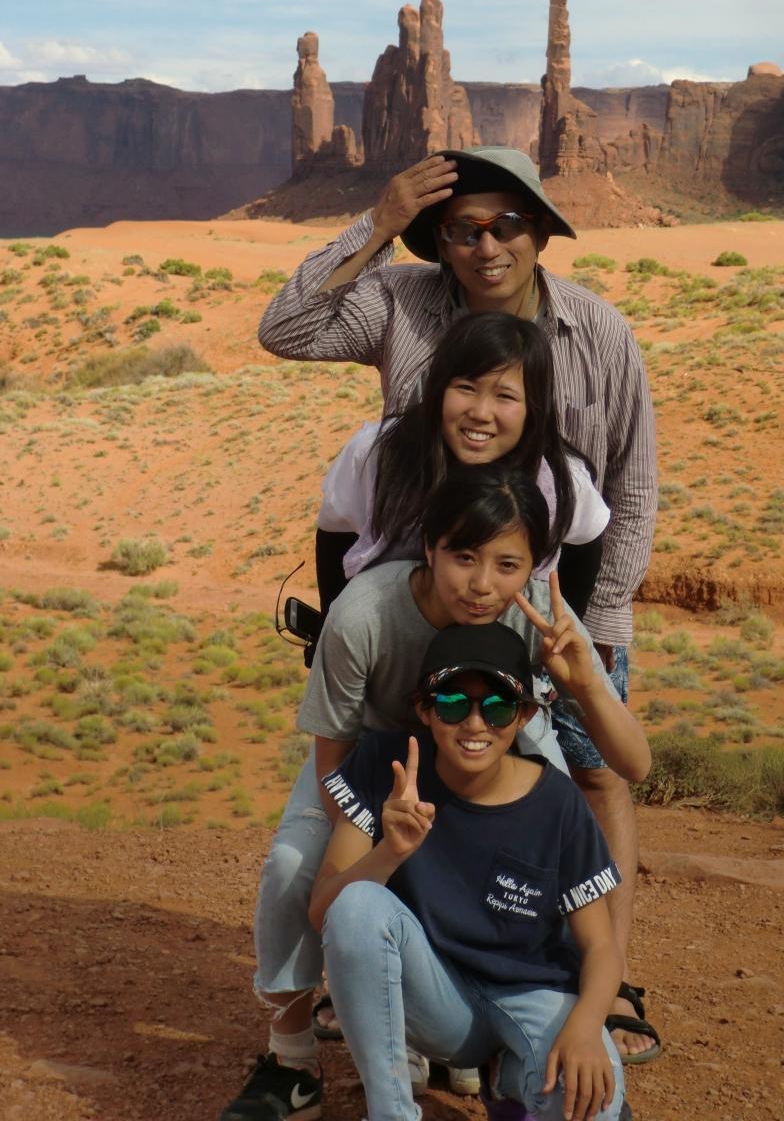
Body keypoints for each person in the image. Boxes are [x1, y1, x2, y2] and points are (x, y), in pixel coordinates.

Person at [259, 145, 658, 1056]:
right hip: (417, 605)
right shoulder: (402, 300)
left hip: (543, 611)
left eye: (506, 225)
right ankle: (406, 979)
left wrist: (582, 633)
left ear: (541, 231)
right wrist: (379, 222)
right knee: (420, 790)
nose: (485, 246)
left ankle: (599, 984)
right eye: (462, 229)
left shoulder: (598, 331)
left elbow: (626, 493)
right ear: (440, 240)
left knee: (588, 785)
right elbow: (285, 329)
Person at [221, 469, 652, 1121]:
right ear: (429, 547)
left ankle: (514, 1066)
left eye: (507, 564)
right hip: (377, 768)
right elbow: (334, 769)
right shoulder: (366, 614)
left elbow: (633, 765)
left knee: (593, 1102)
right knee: (302, 871)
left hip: (496, 812)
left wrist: (588, 684)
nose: (482, 585)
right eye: (464, 557)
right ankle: (296, 1060)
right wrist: (387, 849)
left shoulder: (540, 619)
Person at [310, 620, 636, 1121]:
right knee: (356, 904)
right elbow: (325, 913)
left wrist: (586, 1026)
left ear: (524, 714)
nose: (475, 723)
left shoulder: (557, 804)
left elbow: (601, 947)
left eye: (498, 707)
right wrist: (389, 852)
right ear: (425, 709)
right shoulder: (387, 768)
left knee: (595, 1104)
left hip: (534, 994)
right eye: (453, 703)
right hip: (437, 999)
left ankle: (507, 1074)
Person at [317, 310, 608, 615]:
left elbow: (585, 547)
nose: (480, 413)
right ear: (439, 389)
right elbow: (335, 537)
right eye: (466, 388)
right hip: (388, 632)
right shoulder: (378, 454)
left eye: (505, 396)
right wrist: (332, 626)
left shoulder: (559, 480)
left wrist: (561, 627)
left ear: (532, 409)